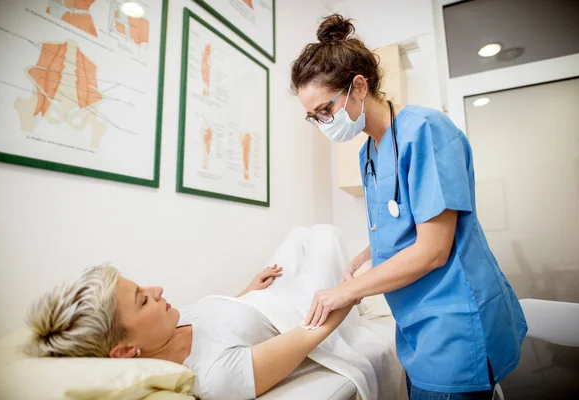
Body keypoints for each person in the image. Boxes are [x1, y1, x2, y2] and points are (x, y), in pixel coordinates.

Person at [292, 14, 528, 400]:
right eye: (313, 116)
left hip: (453, 321)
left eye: (325, 110)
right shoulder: (368, 152)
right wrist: (363, 257)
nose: (322, 123)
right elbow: (398, 218)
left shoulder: (425, 130)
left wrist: (346, 293)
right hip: (415, 321)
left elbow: (433, 250)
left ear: (358, 86)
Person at [26, 226, 387, 400]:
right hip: (304, 307)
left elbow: (221, 321)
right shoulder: (216, 377)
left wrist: (248, 289)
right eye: (142, 300)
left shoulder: (169, 325)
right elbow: (311, 332)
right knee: (322, 238)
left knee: (299, 237)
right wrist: (354, 290)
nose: (157, 291)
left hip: (267, 297)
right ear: (123, 350)